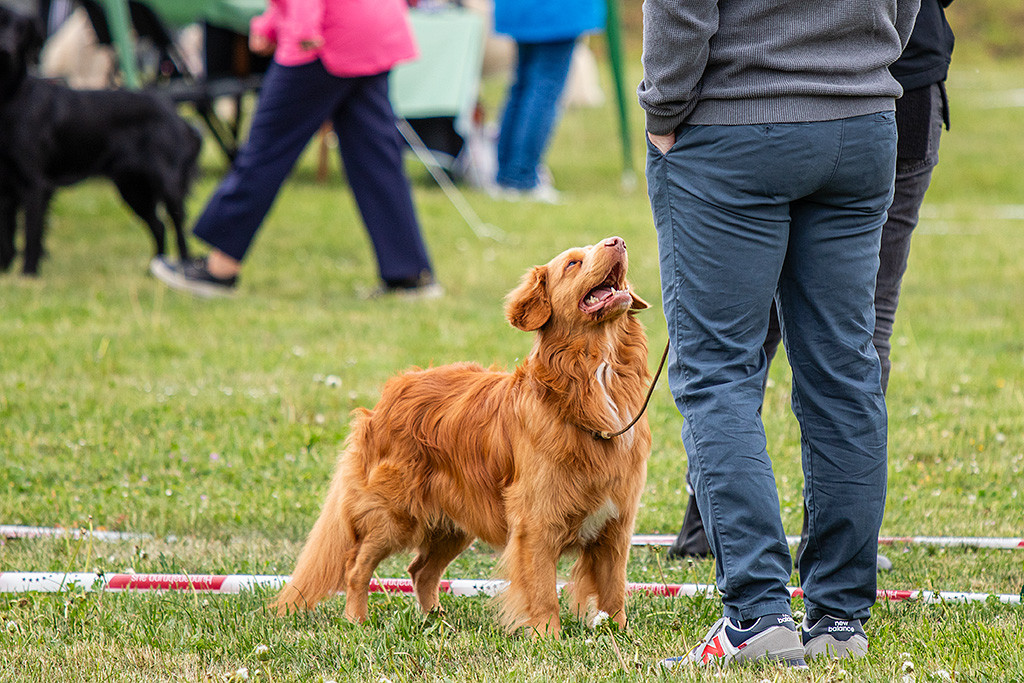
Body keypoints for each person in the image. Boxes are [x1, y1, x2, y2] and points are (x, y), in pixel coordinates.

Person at [640, 0, 920, 669]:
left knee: (717, 374)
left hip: (732, 124)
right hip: (860, 119)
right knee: (845, 373)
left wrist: (663, 108)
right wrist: (861, 59)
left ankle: (756, 616)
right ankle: (840, 619)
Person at [667, 0, 956, 572]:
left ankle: (753, 601)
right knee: (853, 351)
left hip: (752, 107)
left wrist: (664, 105)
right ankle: (839, 603)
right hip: (877, 98)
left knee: (726, 361)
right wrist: (863, 63)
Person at [151, 0, 440, 299]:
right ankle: (408, 273)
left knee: (266, 150)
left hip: (325, 35)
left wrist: (303, 27)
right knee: (376, 158)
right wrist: (270, 24)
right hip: (373, 26)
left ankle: (219, 268)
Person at [490, 0, 604, 203]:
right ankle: (522, 178)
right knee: (544, 88)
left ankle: (506, 176)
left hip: (520, 9)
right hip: (555, 10)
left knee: (523, 85)